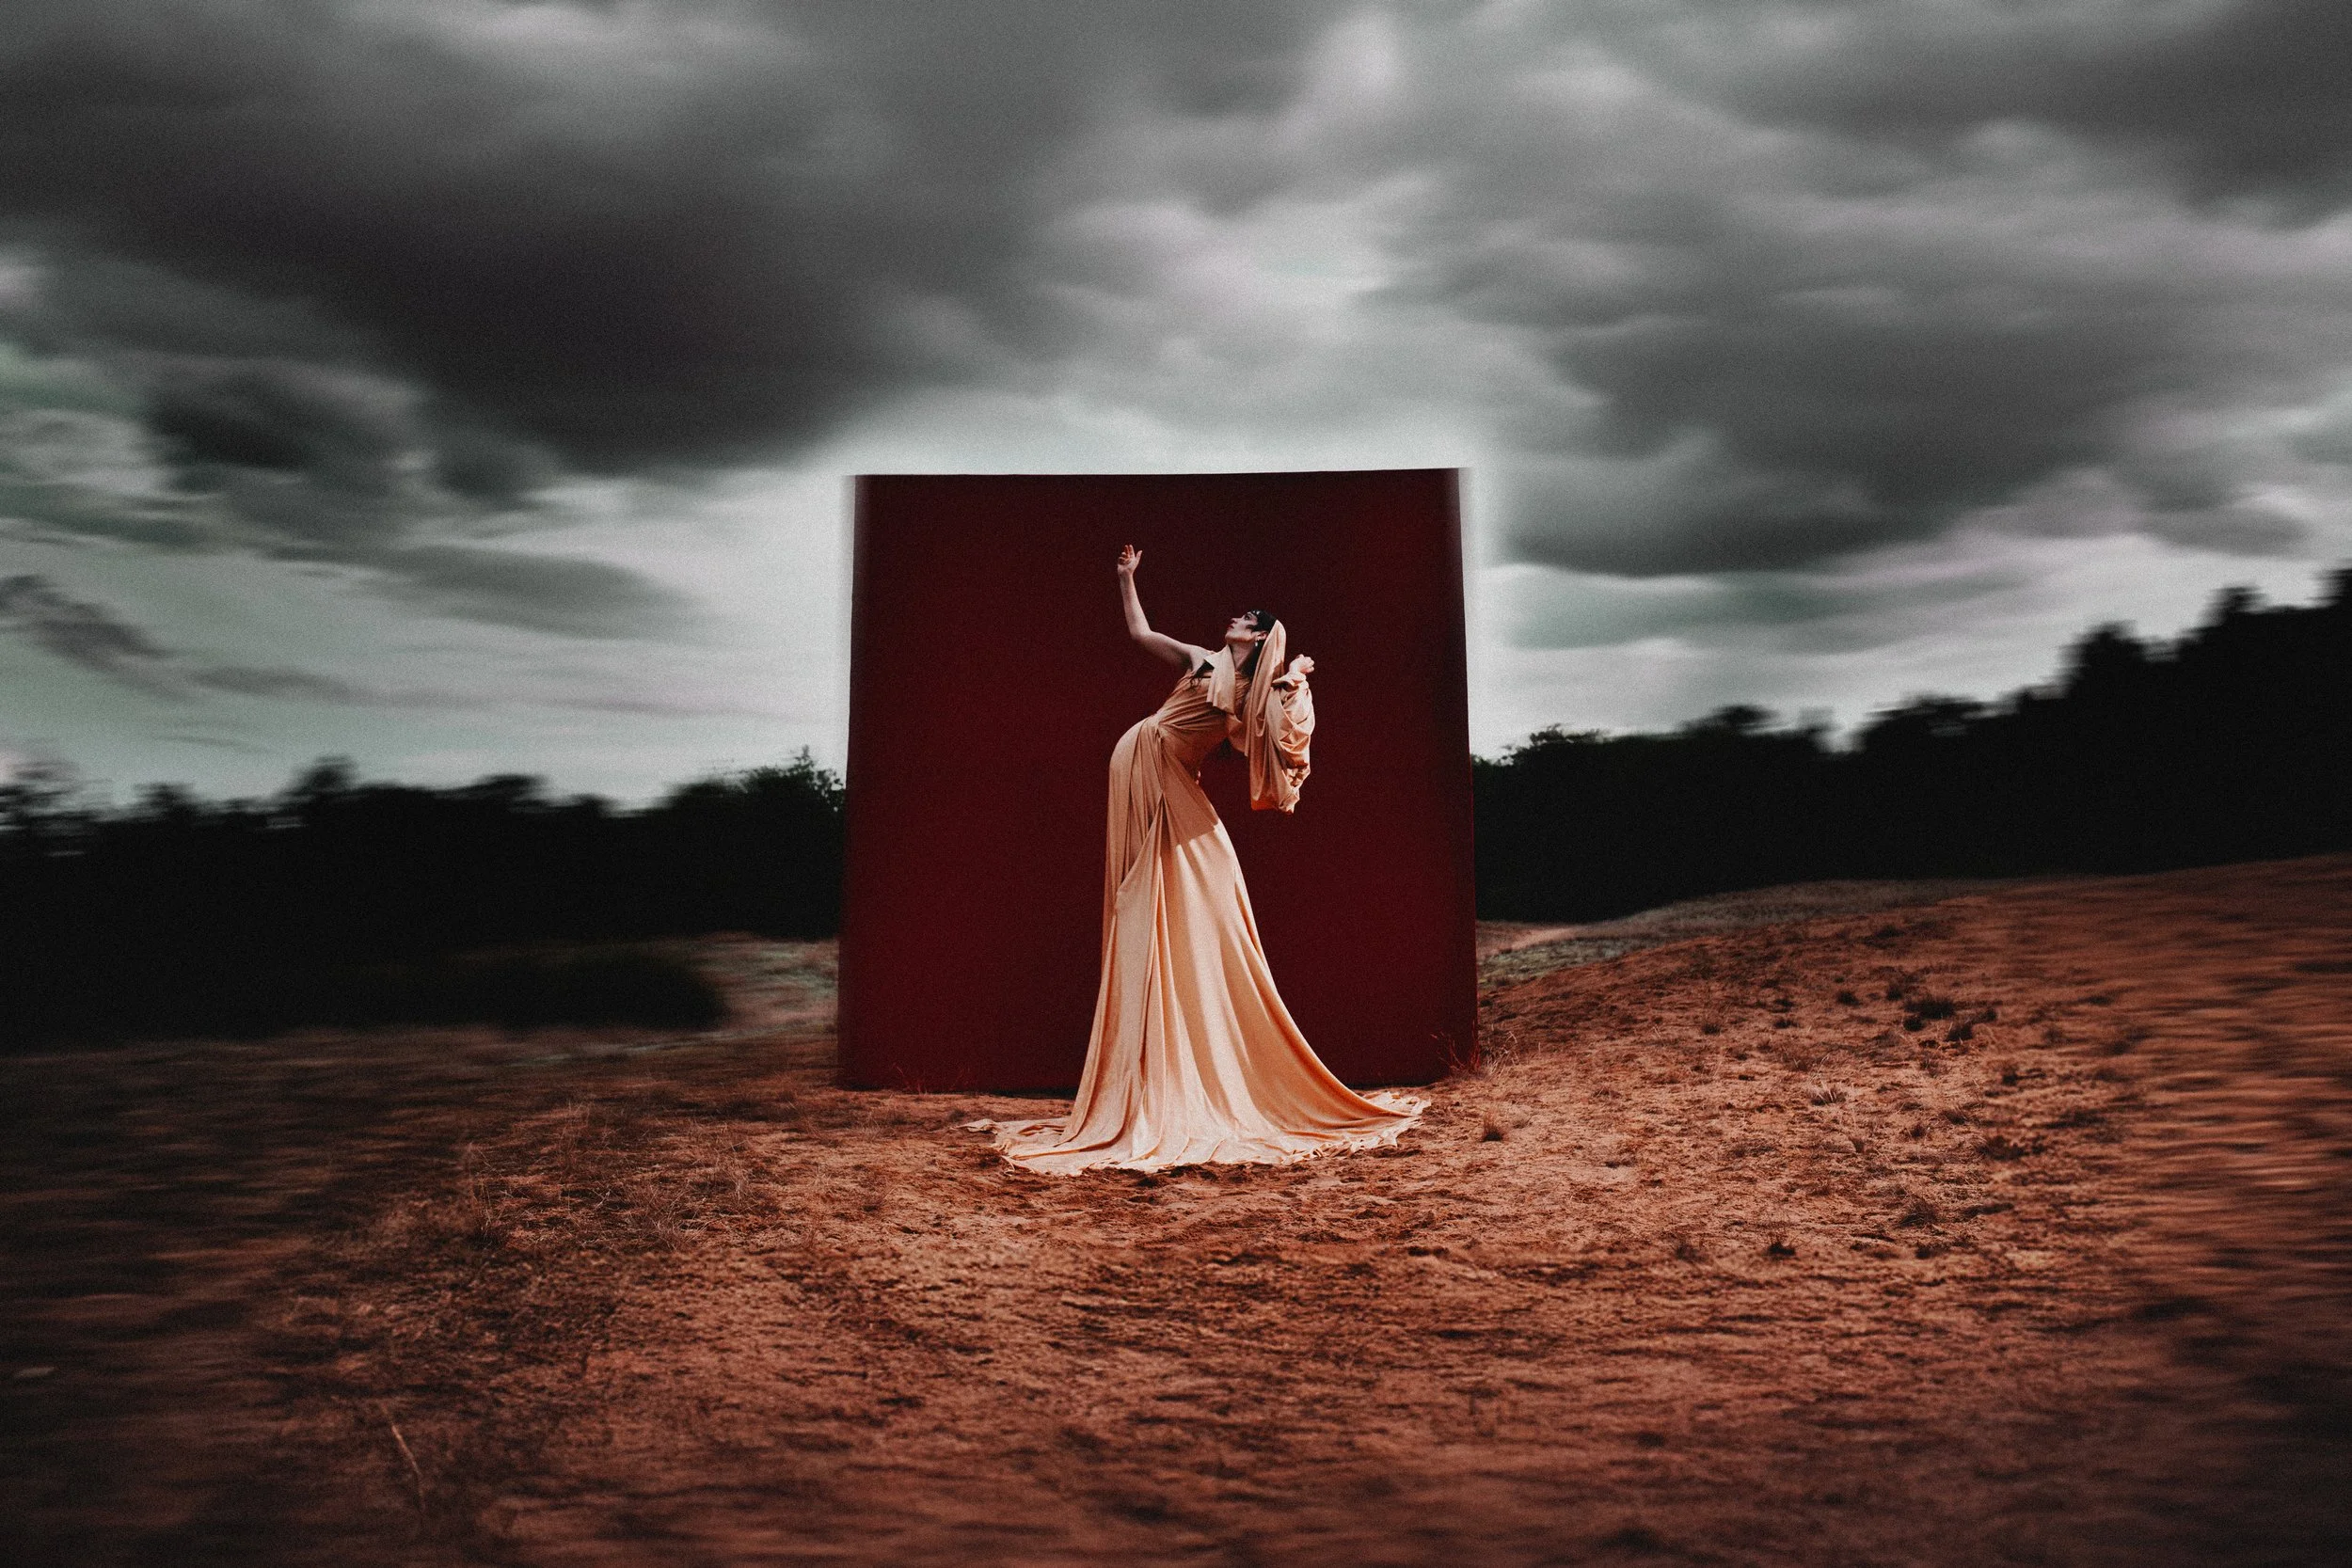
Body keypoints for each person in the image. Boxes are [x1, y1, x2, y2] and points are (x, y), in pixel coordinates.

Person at [974, 545, 1426, 1173]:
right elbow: (1138, 630)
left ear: (1262, 636)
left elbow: (1286, 739)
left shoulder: (1251, 692)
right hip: (1139, 757)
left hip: (1167, 770)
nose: (1237, 617)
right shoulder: (1202, 660)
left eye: (1251, 618)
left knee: (1197, 883)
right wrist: (1126, 578)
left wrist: (1296, 678)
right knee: (1144, 892)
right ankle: (1153, 1053)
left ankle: (1185, 1029)